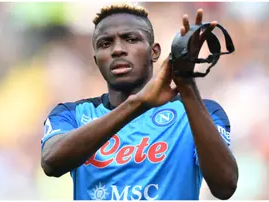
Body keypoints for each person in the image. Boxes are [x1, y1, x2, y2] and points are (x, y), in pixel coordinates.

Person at [41, 4, 238, 200]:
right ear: (96, 60)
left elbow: (225, 186)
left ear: (154, 52)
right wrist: (138, 103)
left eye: (131, 39)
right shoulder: (71, 114)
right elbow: (51, 163)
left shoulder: (201, 112)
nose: (117, 50)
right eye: (105, 43)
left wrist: (186, 84)